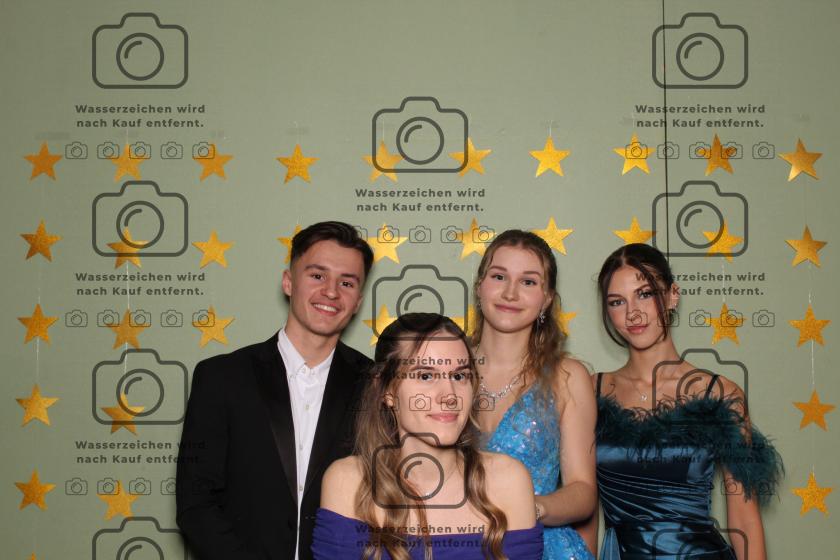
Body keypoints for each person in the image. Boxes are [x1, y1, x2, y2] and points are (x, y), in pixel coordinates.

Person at [176, 221, 375, 560]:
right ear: (288, 282)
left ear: (357, 300)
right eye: (317, 275)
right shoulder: (222, 378)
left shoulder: (375, 384)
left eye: (347, 282)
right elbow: (196, 503)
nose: (331, 292)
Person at [591, 243, 783, 559]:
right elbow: (583, 507)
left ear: (672, 295)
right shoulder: (591, 391)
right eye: (617, 301)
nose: (632, 313)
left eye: (645, 294)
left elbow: (745, 519)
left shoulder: (720, 394)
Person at [313, 313, 544, 559]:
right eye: (425, 376)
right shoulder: (349, 482)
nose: (449, 395)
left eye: (459, 376)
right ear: (387, 390)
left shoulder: (507, 481)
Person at [470, 230, 598, 559]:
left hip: (542, 547)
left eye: (528, 282)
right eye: (499, 276)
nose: (510, 293)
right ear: (479, 286)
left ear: (547, 299)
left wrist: (531, 508)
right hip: (455, 545)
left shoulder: (568, 377)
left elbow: (583, 491)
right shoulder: (445, 369)